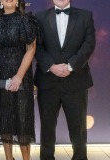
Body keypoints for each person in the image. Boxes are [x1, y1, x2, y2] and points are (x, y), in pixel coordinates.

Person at [34, 0, 96, 159]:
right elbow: (36, 47)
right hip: (48, 82)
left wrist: (69, 66)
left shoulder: (85, 16)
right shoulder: (39, 17)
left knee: (78, 130)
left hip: (76, 82)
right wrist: (52, 66)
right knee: (47, 129)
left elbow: (89, 45)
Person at [0, 0, 37, 159]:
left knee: (23, 120)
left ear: (17, 1)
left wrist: (18, 77)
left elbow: (31, 49)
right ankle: (9, 158)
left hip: (22, 77)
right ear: (0, 1)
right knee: (4, 119)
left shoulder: (25, 20)